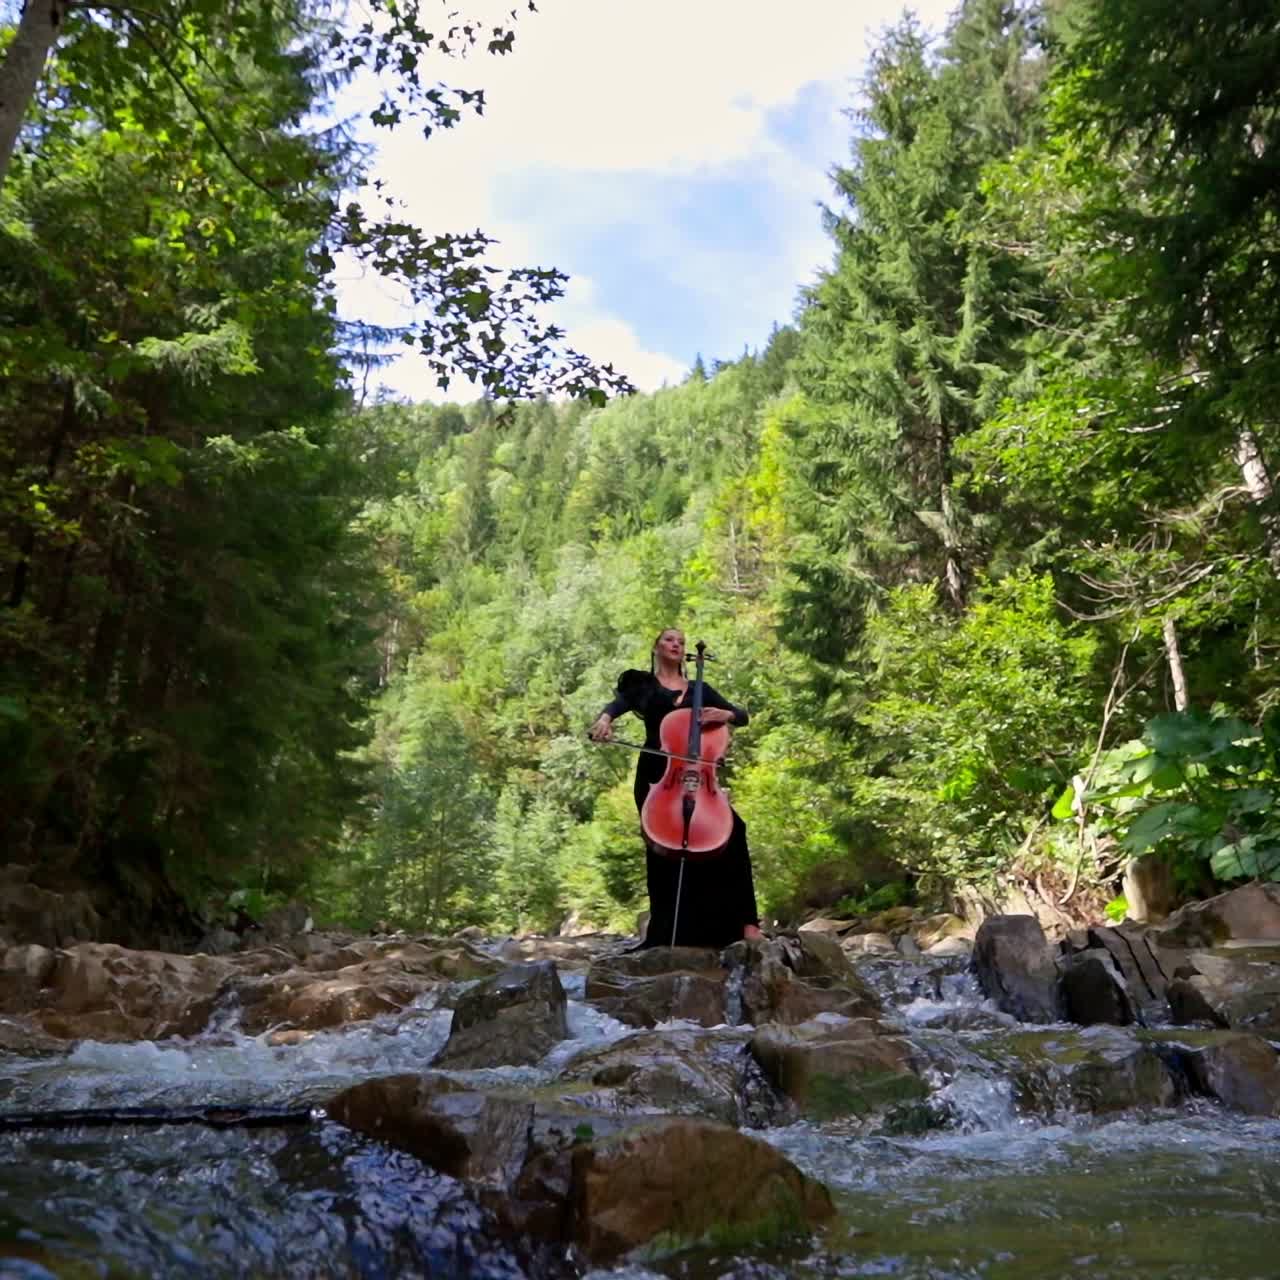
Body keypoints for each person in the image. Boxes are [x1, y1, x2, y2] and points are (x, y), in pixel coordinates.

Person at [589, 627, 763, 948]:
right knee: (661, 849)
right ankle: (662, 933)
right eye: (670, 640)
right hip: (658, 775)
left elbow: (741, 716)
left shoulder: (700, 689)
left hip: (699, 777)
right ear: (656, 647)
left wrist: (725, 713)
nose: (677, 644)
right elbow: (617, 705)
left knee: (734, 830)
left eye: (681, 642)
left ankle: (746, 925)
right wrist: (603, 721)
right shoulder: (644, 686)